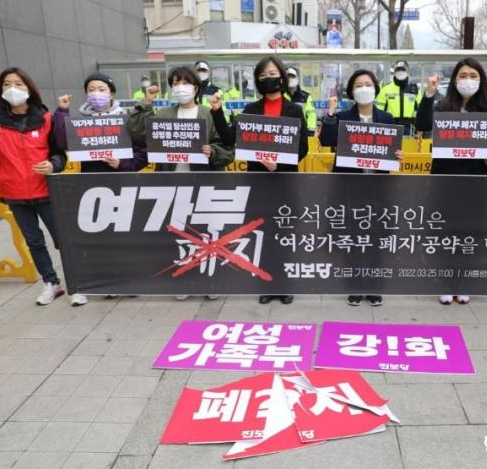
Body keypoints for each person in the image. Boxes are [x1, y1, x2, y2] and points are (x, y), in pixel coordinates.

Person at [0, 67, 84, 306]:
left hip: (46, 192)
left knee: (63, 240)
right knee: (34, 242)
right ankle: (51, 283)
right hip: (15, 195)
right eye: (6, 85)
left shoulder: (46, 119)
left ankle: (76, 284)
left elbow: (60, 154)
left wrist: (53, 164)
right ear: (0, 91)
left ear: (29, 88)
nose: (12, 89)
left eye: (18, 84)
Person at [210, 55, 309, 306]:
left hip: (285, 180)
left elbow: (303, 148)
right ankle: (266, 282)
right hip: (259, 180)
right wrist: (217, 112)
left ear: (282, 78)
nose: (268, 79)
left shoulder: (294, 110)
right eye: (263, 76)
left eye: (273, 74)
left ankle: (284, 283)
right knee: (263, 232)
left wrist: (279, 163)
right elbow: (230, 138)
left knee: (284, 232)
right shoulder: (251, 110)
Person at [129, 65, 234, 301]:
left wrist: (212, 151)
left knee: (207, 233)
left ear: (196, 88)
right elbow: (136, 131)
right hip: (172, 182)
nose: (180, 87)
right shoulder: (163, 114)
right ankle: (184, 277)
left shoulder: (208, 113)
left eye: (185, 83)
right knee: (179, 234)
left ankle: (210, 279)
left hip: (204, 183)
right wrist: (146, 102)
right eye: (175, 83)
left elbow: (228, 147)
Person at [416, 58, 487, 306]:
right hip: (445, 180)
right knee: (446, 231)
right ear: (454, 80)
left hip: (476, 180)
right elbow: (422, 124)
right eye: (463, 75)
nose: (468, 80)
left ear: (481, 80)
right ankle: (445, 280)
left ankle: (463, 280)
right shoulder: (442, 107)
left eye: (473, 76)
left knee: (470, 232)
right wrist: (429, 93)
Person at [320, 69, 404, 307]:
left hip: (378, 188)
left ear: (375, 88)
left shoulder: (386, 118)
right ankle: (355, 285)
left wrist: (397, 155)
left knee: (376, 239)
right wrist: (330, 113)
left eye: (368, 84)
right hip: (350, 188)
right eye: (358, 85)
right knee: (353, 239)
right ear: (351, 91)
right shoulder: (343, 117)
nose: (364, 88)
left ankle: (374, 286)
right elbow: (326, 140)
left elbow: (392, 150)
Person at [54, 72, 148, 174]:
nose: (96, 93)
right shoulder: (80, 123)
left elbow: (143, 154)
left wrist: (122, 163)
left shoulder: (126, 120)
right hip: (90, 179)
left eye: (101, 90)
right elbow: (63, 143)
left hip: (121, 179)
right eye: (91, 90)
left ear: (111, 94)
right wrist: (62, 111)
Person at [376, 60, 422, 134]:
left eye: (403, 70)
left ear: (408, 72)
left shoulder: (415, 90)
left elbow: (420, 111)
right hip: (390, 128)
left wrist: (419, 126)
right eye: (398, 70)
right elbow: (378, 111)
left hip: (409, 129)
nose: (400, 72)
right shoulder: (385, 89)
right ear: (394, 72)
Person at [285, 67, 317, 135]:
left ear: (298, 78)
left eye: (293, 76)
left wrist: (311, 131)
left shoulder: (306, 97)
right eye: (288, 77)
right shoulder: (280, 96)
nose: (290, 79)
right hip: (285, 131)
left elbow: (311, 114)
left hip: (301, 132)